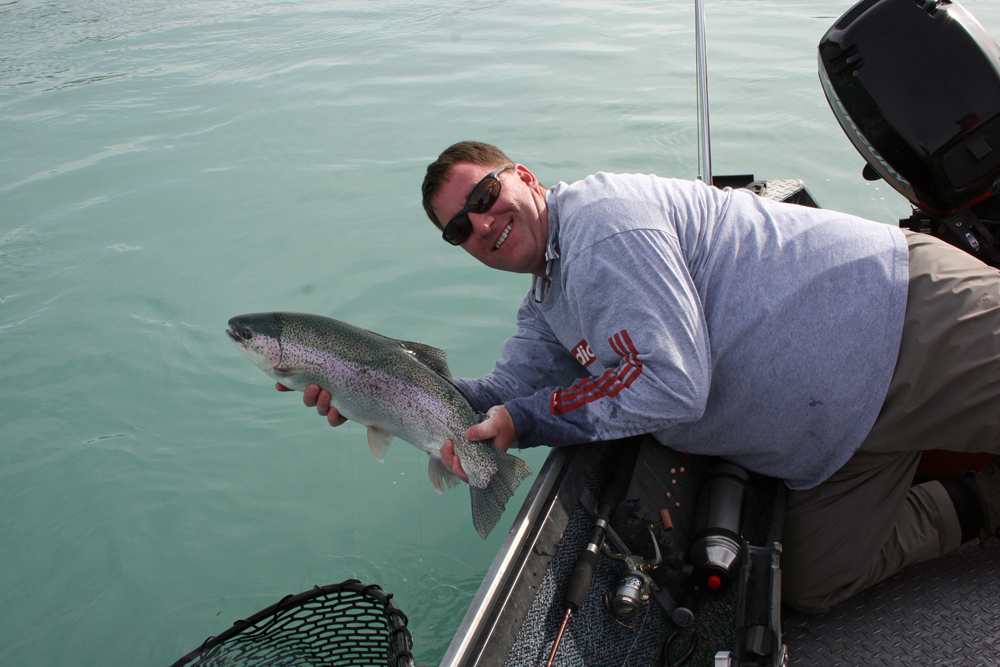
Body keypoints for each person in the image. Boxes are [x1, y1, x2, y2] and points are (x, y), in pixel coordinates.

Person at [282, 141, 1000, 614]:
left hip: (902, 326)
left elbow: (674, 383)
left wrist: (531, 420)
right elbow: (496, 396)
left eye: (485, 195)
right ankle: (986, 496)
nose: (481, 223)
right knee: (812, 580)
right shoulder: (547, 302)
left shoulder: (599, 225)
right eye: (458, 229)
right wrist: (371, 391)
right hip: (839, 436)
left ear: (524, 177)